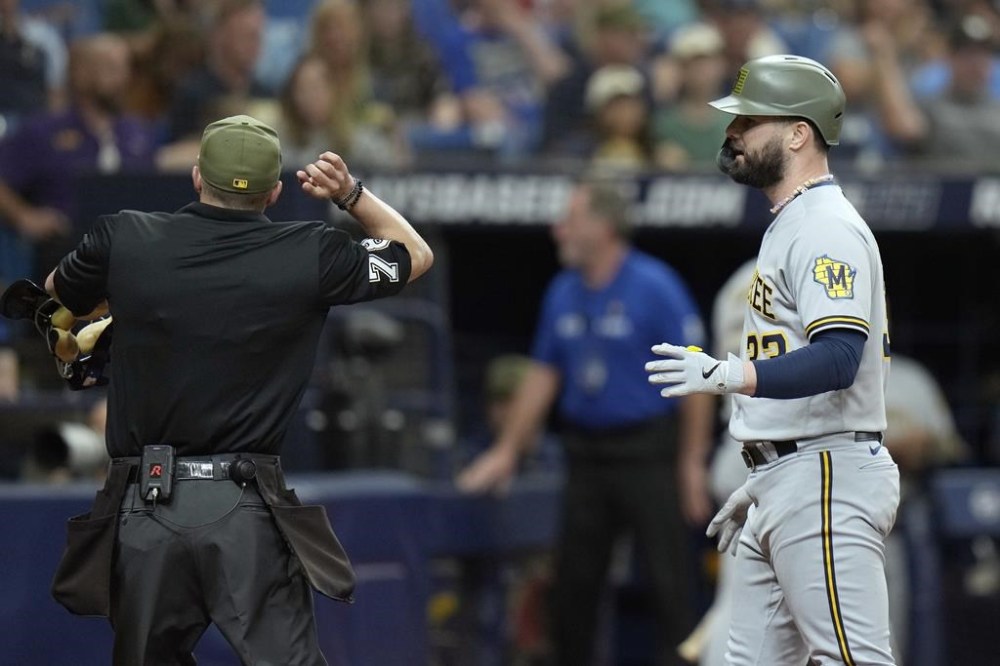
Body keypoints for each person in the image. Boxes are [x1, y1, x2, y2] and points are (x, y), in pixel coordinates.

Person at [33, 114, 433, 664]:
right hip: (243, 506)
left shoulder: (125, 236)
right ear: (273, 193)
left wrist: (123, 306)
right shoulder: (310, 252)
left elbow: (54, 299)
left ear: (197, 177)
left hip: (146, 502)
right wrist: (350, 193)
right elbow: (413, 253)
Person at [646, 55, 898, 665]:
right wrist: (767, 465)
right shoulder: (790, 221)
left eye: (748, 121)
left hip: (825, 472)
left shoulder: (825, 227)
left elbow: (839, 357)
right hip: (784, 477)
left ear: (797, 133)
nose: (731, 134)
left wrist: (730, 375)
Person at [458, 180, 713, 666]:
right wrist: (508, 451)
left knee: (669, 585)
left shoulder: (656, 286)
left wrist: (691, 460)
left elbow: (698, 374)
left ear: (602, 226)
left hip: (648, 453)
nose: (559, 230)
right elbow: (542, 376)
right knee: (573, 588)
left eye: (570, 220)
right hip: (587, 455)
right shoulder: (562, 292)